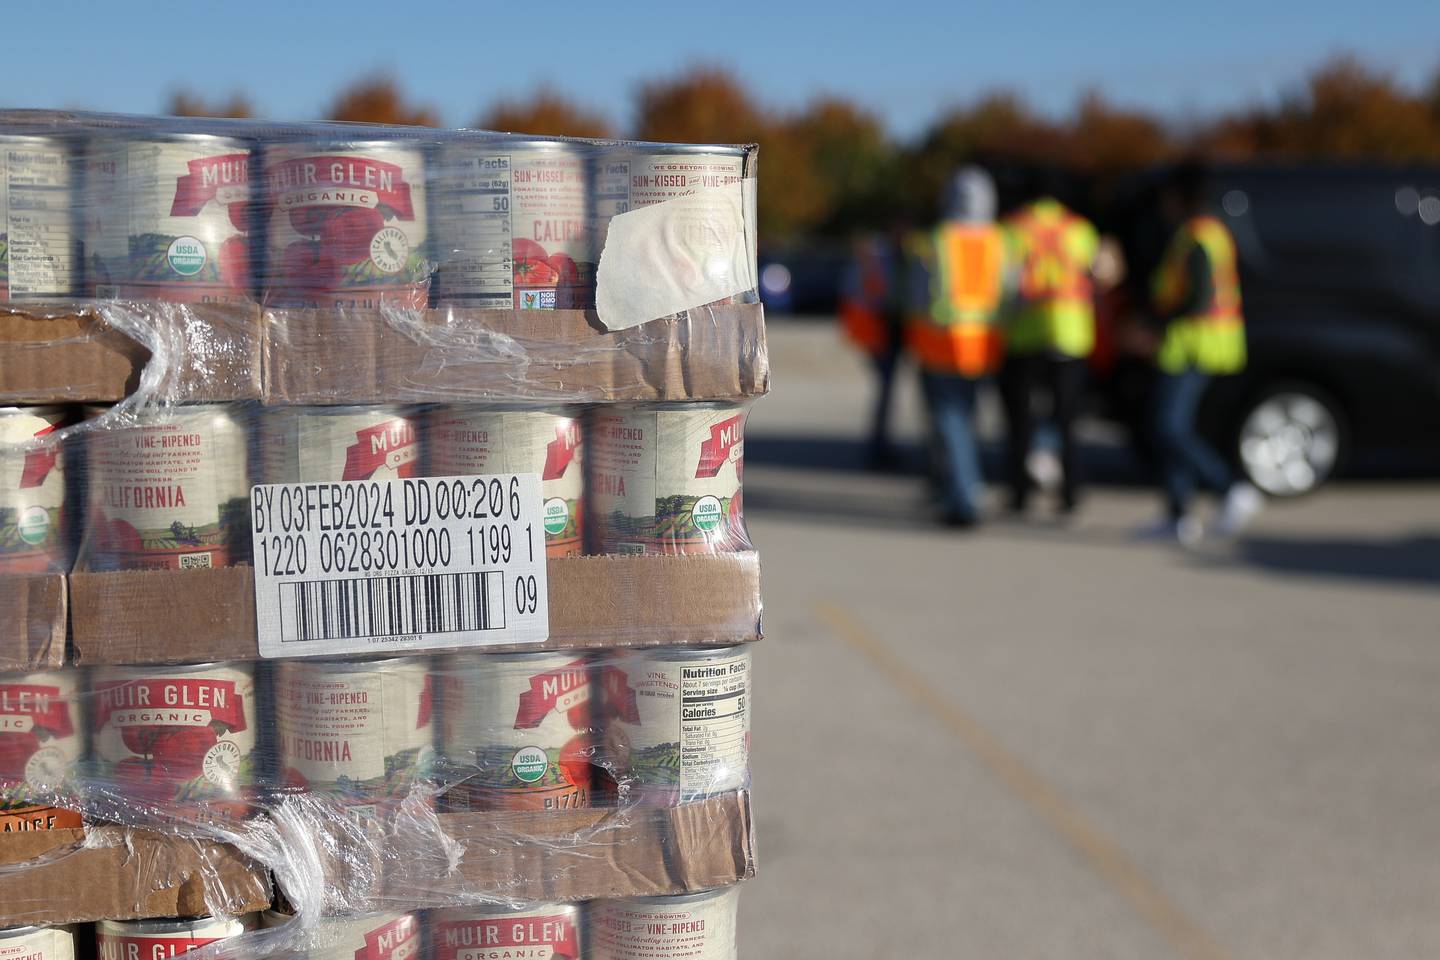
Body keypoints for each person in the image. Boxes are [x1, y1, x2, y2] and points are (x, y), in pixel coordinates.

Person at [1143, 160, 1262, 541]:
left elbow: (1198, 298)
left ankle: (1231, 487)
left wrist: (1152, 327)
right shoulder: (1208, 231)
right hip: (1200, 343)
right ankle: (1179, 515)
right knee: (1172, 425)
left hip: (1194, 344)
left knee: (1168, 426)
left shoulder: (1197, 236)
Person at [905, 167, 1007, 526]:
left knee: (949, 422)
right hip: (983, 345)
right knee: (966, 420)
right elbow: (1009, 294)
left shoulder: (937, 241)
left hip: (941, 344)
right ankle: (961, 488)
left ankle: (963, 497)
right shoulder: (999, 241)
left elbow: (917, 296)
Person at [998, 174, 1099, 515]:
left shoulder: (1013, 228)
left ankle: (1020, 493)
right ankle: (1070, 494)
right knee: (1067, 420)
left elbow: (1005, 283)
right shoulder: (1080, 229)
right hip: (1071, 333)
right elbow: (1097, 272)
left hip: (1025, 334)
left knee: (1020, 421)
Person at [839, 230, 907, 468]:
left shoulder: (882, 256)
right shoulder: (878, 257)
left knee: (886, 391)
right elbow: (863, 293)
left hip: (891, 329)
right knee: (885, 390)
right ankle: (880, 445)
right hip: (882, 330)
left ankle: (881, 442)